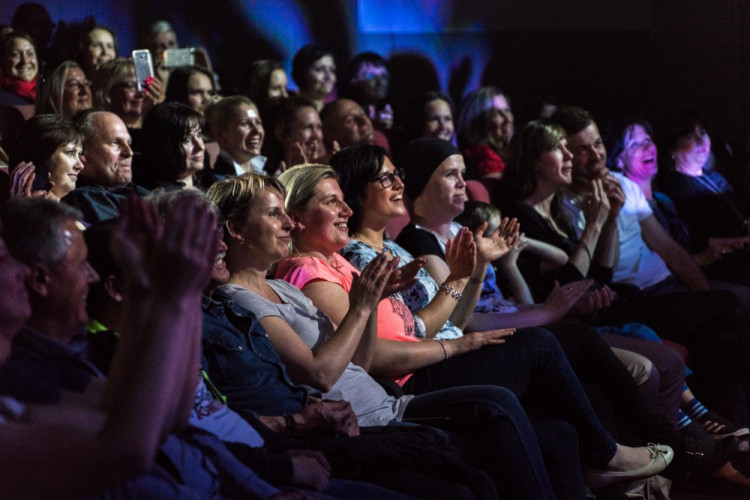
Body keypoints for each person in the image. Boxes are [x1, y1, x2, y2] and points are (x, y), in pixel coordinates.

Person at [0, 196, 219, 497]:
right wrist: (174, 293)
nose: (20, 272)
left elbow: (168, 413)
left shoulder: (40, 364)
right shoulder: (17, 373)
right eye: (2, 259)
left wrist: (168, 286)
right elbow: (126, 450)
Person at [604, 117, 750, 292]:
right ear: (618, 160)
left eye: (647, 140)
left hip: (703, 271)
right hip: (681, 281)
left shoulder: (662, 199)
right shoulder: (628, 205)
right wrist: (699, 259)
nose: (647, 147)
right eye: (635, 144)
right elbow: (660, 257)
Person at [655, 108, 750, 252]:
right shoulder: (672, 187)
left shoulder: (713, 177)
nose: (701, 140)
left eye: (703, 132)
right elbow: (692, 240)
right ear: (672, 148)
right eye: (690, 137)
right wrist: (740, 241)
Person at [62, 110, 148, 223]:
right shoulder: (85, 199)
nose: (129, 152)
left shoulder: (133, 190)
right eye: (115, 143)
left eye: (129, 143)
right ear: (82, 152)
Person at [8, 114, 83, 202]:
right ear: (38, 160)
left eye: (79, 154)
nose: (80, 165)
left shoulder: (80, 208)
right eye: (70, 152)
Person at [135, 102, 206, 191]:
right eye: (186, 139)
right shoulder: (160, 200)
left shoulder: (208, 184)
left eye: (198, 135)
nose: (201, 147)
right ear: (163, 146)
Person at [90, 58, 163, 135]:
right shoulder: (101, 134)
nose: (141, 94)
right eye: (131, 86)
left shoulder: (158, 129)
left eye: (143, 86)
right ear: (108, 91)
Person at [204, 95, 268, 179]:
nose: (257, 131)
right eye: (245, 124)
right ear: (221, 135)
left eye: (258, 122)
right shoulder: (219, 182)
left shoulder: (266, 172)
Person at [456, 87, 514, 180]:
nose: (508, 119)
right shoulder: (483, 159)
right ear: (480, 123)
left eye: (507, 110)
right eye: (496, 114)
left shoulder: (510, 150)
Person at [262, 95, 327, 172]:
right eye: (307, 127)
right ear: (281, 133)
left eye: (319, 127)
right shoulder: (267, 178)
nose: (316, 136)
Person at [342, 51, 393, 132]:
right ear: (353, 80)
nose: (380, 82)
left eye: (384, 76)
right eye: (370, 76)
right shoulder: (346, 115)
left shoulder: (389, 110)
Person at [291, 44, 336, 112]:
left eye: (332, 70)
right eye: (319, 69)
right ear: (302, 73)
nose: (329, 76)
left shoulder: (332, 111)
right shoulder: (291, 110)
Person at [0, 31, 38, 105]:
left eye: (30, 54)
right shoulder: (3, 101)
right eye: (16, 55)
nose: (25, 61)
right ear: (3, 60)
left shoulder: (50, 94)